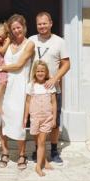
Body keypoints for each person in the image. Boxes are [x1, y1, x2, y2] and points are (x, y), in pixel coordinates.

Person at [0, 14, 35, 170]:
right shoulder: (8, 43)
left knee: (19, 120)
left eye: (19, 27)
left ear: (24, 27)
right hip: (2, 85)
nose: (16, 30)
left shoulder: (30, 44)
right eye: (13, 28)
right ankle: (5, 151)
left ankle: (21, 154)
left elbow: (19, 65)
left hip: (19, 86)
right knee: (1, 120)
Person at [28, 11, 70, 165]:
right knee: (36, 121)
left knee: (54, 122)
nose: (42, 26)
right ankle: (37, 149)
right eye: (39, 24)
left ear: (51, 23)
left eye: (45, 23)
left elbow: (66, 64)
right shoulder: (31, 40)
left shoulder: (59, 42)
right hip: (35, 90)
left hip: (53, 90)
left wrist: (55, 78)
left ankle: (53, 149)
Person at [23, 60, 57, 177]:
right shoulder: (30, 86)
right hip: (35, 118)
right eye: (38, 71)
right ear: (34, 72)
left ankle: (38, 166)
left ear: (46, 72)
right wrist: (25, 117)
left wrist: (54, 118)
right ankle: (45, 161)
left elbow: (54, 102)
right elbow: (27, 102)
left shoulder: (49, 85)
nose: (40, 73)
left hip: (47, 118)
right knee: (38, 141)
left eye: (42, 71)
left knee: (42, 141)